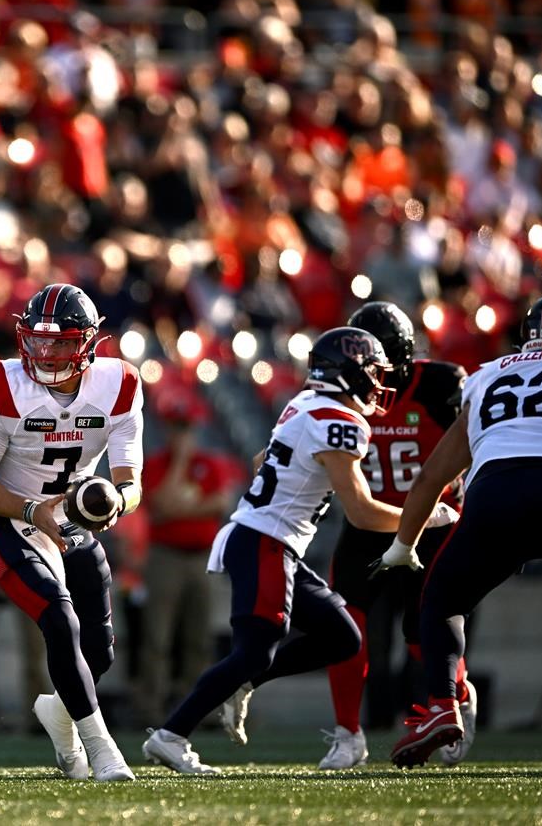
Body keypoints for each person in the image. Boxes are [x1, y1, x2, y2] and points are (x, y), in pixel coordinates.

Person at [142, 327, 459, 774]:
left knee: (342, 636)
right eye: (371, 373)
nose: (378, 383)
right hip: (264, 541)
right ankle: (171, 735)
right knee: (255, 651)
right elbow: (362, 514)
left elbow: (259, 463)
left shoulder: (303, 405)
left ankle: (240, 683)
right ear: (348, 374)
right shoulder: (340, 422)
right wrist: (427, 516)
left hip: (272, 541)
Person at [380, 294, 542, 769]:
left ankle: (440, 704)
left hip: (494, 494)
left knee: (439, 601)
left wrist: (402, 545)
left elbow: (431, 478)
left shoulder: (488, 374)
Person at [0, 283, 144, 782]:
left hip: (68, 518)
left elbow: (131, 483)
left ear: (87, 343)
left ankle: (60, 718)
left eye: (61, 342)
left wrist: (112, 503)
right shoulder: (3, 386)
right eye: (38, 340)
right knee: (60, 620)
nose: (46, 352)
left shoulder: (119, 385)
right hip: (6, 516)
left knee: (99, 651)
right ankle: (101, 750)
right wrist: (31, 508)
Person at [317, 302, 471, 769]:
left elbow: (476, 443)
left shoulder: (442, 384)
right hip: (370, 522)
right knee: (347, 629)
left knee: (427, 627)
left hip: (432, 521)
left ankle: (450, 707)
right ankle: (348, 733)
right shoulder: (341, 394)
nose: (371, 378)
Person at [136, 390, 242, 728]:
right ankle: (151, 708)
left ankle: (194, 708)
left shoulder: (210, 464)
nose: (181, 435)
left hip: (201, 558)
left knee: (198, 637)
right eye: (176, 428)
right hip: (165, 556)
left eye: (186, 428)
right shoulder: (155, 464)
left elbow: (220, 504)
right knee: (158, 637)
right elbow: (160, 507)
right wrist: (180, 464)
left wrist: (181, 509)